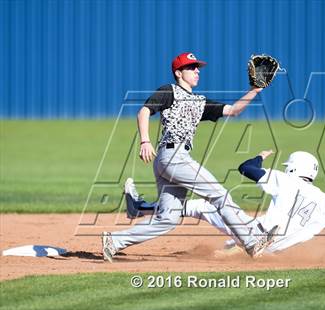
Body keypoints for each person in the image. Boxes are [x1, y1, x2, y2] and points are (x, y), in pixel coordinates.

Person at [102, 52, 276, 262]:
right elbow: (144, 112)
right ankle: (250, 243)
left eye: (197, 68)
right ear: (178, 72)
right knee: (220, 195)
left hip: (171, 160)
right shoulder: (169, 91)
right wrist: (145, 141)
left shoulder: (199, 102)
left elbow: (234, 110)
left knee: (168, 219)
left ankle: (114, 241)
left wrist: (255, 90)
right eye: (191, 68)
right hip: (173, 157)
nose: (196, 71)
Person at [124, 150, 325, 262]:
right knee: (235, 224)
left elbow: (246, 168)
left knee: (203, 206)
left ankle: (140, 208)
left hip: (253, 237)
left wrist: (260, 157)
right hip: (271, 251)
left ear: (293, 168)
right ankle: (231, 249)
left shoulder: (285, 180)